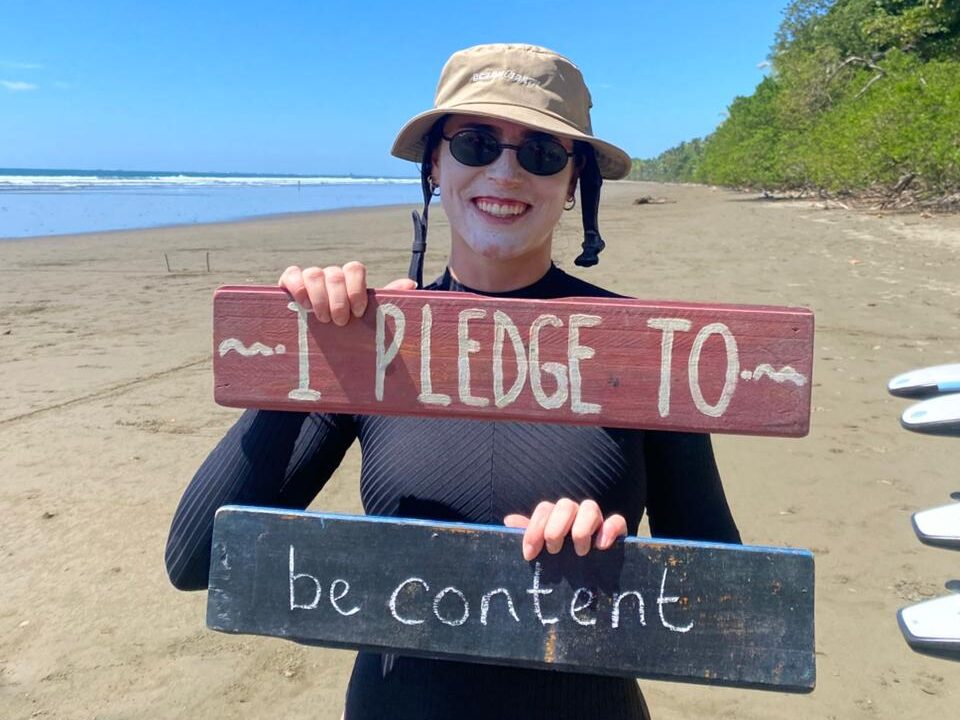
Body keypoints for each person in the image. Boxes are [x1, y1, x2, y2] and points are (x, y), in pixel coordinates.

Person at [165, 43, 740, 719]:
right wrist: (307, 356)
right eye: (475, 142)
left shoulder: (646, 348)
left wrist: (616, 560)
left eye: (543, 152)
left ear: (574, 180)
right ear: (435, 164)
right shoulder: (368, 347)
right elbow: (197, 561)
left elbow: (727, 608)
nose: (506, 170)